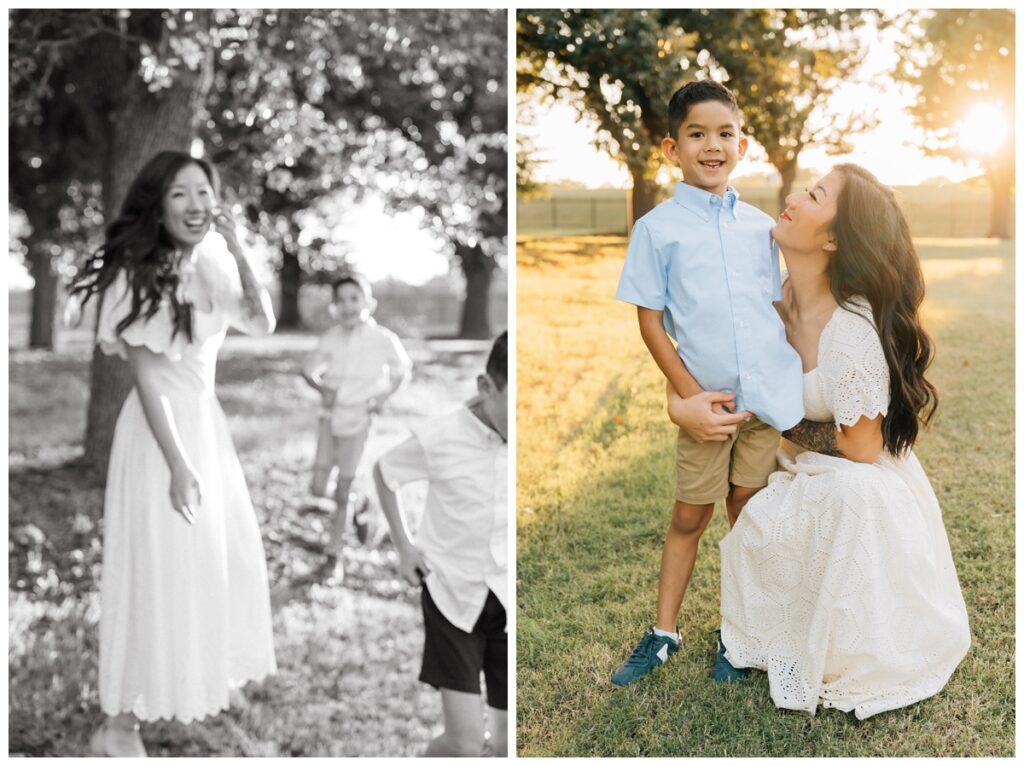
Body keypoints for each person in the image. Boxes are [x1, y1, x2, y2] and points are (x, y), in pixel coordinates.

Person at [717, 163, 971, 718]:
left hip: (858, 475)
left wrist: (778, 425)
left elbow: (860, 449)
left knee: (850, 495)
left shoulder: (851, 329)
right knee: (746, 488)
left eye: (814, 195)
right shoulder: (771, 299)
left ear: (832, 237)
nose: (793, 195)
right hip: (794, 463)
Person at [68, 151, 278, 756]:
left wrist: (239, 249)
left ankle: (200, 674)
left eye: (205, 194)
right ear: (158, 205)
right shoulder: (134, 272)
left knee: (210, 564)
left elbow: (262, 324)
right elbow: (149, 379)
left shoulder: (213, 260)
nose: (196, 206)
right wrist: (180, 466)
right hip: (162, 437)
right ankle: (117, 725)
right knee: (153, 572)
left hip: (206, 429)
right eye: (181, 195)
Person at [610, 80, 804, 685]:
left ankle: (740, 633)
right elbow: (650, 320)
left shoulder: (760, 227)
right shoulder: (657, 229)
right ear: (672, 148)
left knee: (748, 514)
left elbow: (776, 309)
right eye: (697, 134)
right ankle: (664, 632)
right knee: (690, 516)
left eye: (724, 134)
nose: (711, 145)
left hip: (761, 407)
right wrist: (686, 396)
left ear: (742, 146)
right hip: (706, 407)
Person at [374, 331, 508, 756]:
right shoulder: (440, 437)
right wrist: (404, 546)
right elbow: (385, 471)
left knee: (507, 744)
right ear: (486, 388)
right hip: (451, 593)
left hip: (506, 599)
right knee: (465, 743)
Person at [300, 272, 411, 579]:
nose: (348, 306)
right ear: (334, 307)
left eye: (354, 299)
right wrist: (321, 386)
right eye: (341, 301)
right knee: (318, 487)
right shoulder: (331, 338)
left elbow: (402, 371)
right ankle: (359, 502)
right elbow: (308, 369)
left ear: (368, 303)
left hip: (359, 420)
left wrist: (382, 398)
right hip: (329, 418)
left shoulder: (383, 340)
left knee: (341, 489)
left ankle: (334, 555)